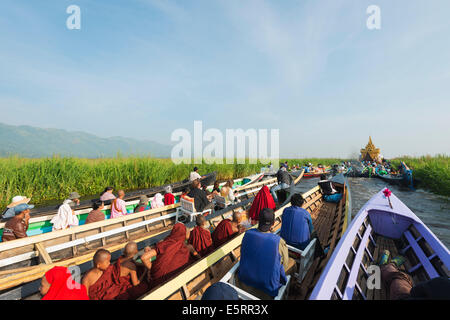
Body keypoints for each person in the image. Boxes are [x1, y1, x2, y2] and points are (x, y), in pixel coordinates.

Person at [235, 208, 295, 299]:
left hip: (244, 283)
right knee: (292, 263)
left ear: (258, 221)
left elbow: (243, 253)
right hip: (266, 291)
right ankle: (289, 292)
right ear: (273, 223)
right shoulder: (278, 241)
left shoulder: (247, 234)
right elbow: (285, 265)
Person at [145, 223, 200, 288]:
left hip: (159, 279)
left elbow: (144, 258)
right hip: (177, 280)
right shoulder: (186, 247)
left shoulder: (166, 242)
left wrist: (151, 269)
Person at [378, 251, 450, 300]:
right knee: (406, 279)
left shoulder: (444, 283)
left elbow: (414, 291)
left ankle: (386, 265)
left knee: (400, 277)